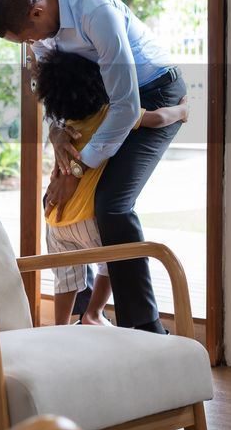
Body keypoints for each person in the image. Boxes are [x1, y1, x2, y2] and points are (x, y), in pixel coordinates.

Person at [0, 0, 186, 334]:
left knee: (111, 204)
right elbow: (52, 90)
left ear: (37, 12)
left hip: (152, 95)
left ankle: (144, 327)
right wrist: (57, 132)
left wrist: (74, 170)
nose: (31, 46)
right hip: (102, 100)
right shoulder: (42, 31)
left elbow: (127, 108)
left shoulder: (95, 13)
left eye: (27, 39)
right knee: (68, 204)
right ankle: (88, 315)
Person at [35, 51, 189, 326]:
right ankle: (93, 313)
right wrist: (181, 111)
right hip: (88, 218)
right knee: (111, 262)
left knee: (65, 278)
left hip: (56, 220)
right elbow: (156, 119)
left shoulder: (65, 129)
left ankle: (58, 328)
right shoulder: (109, 115)